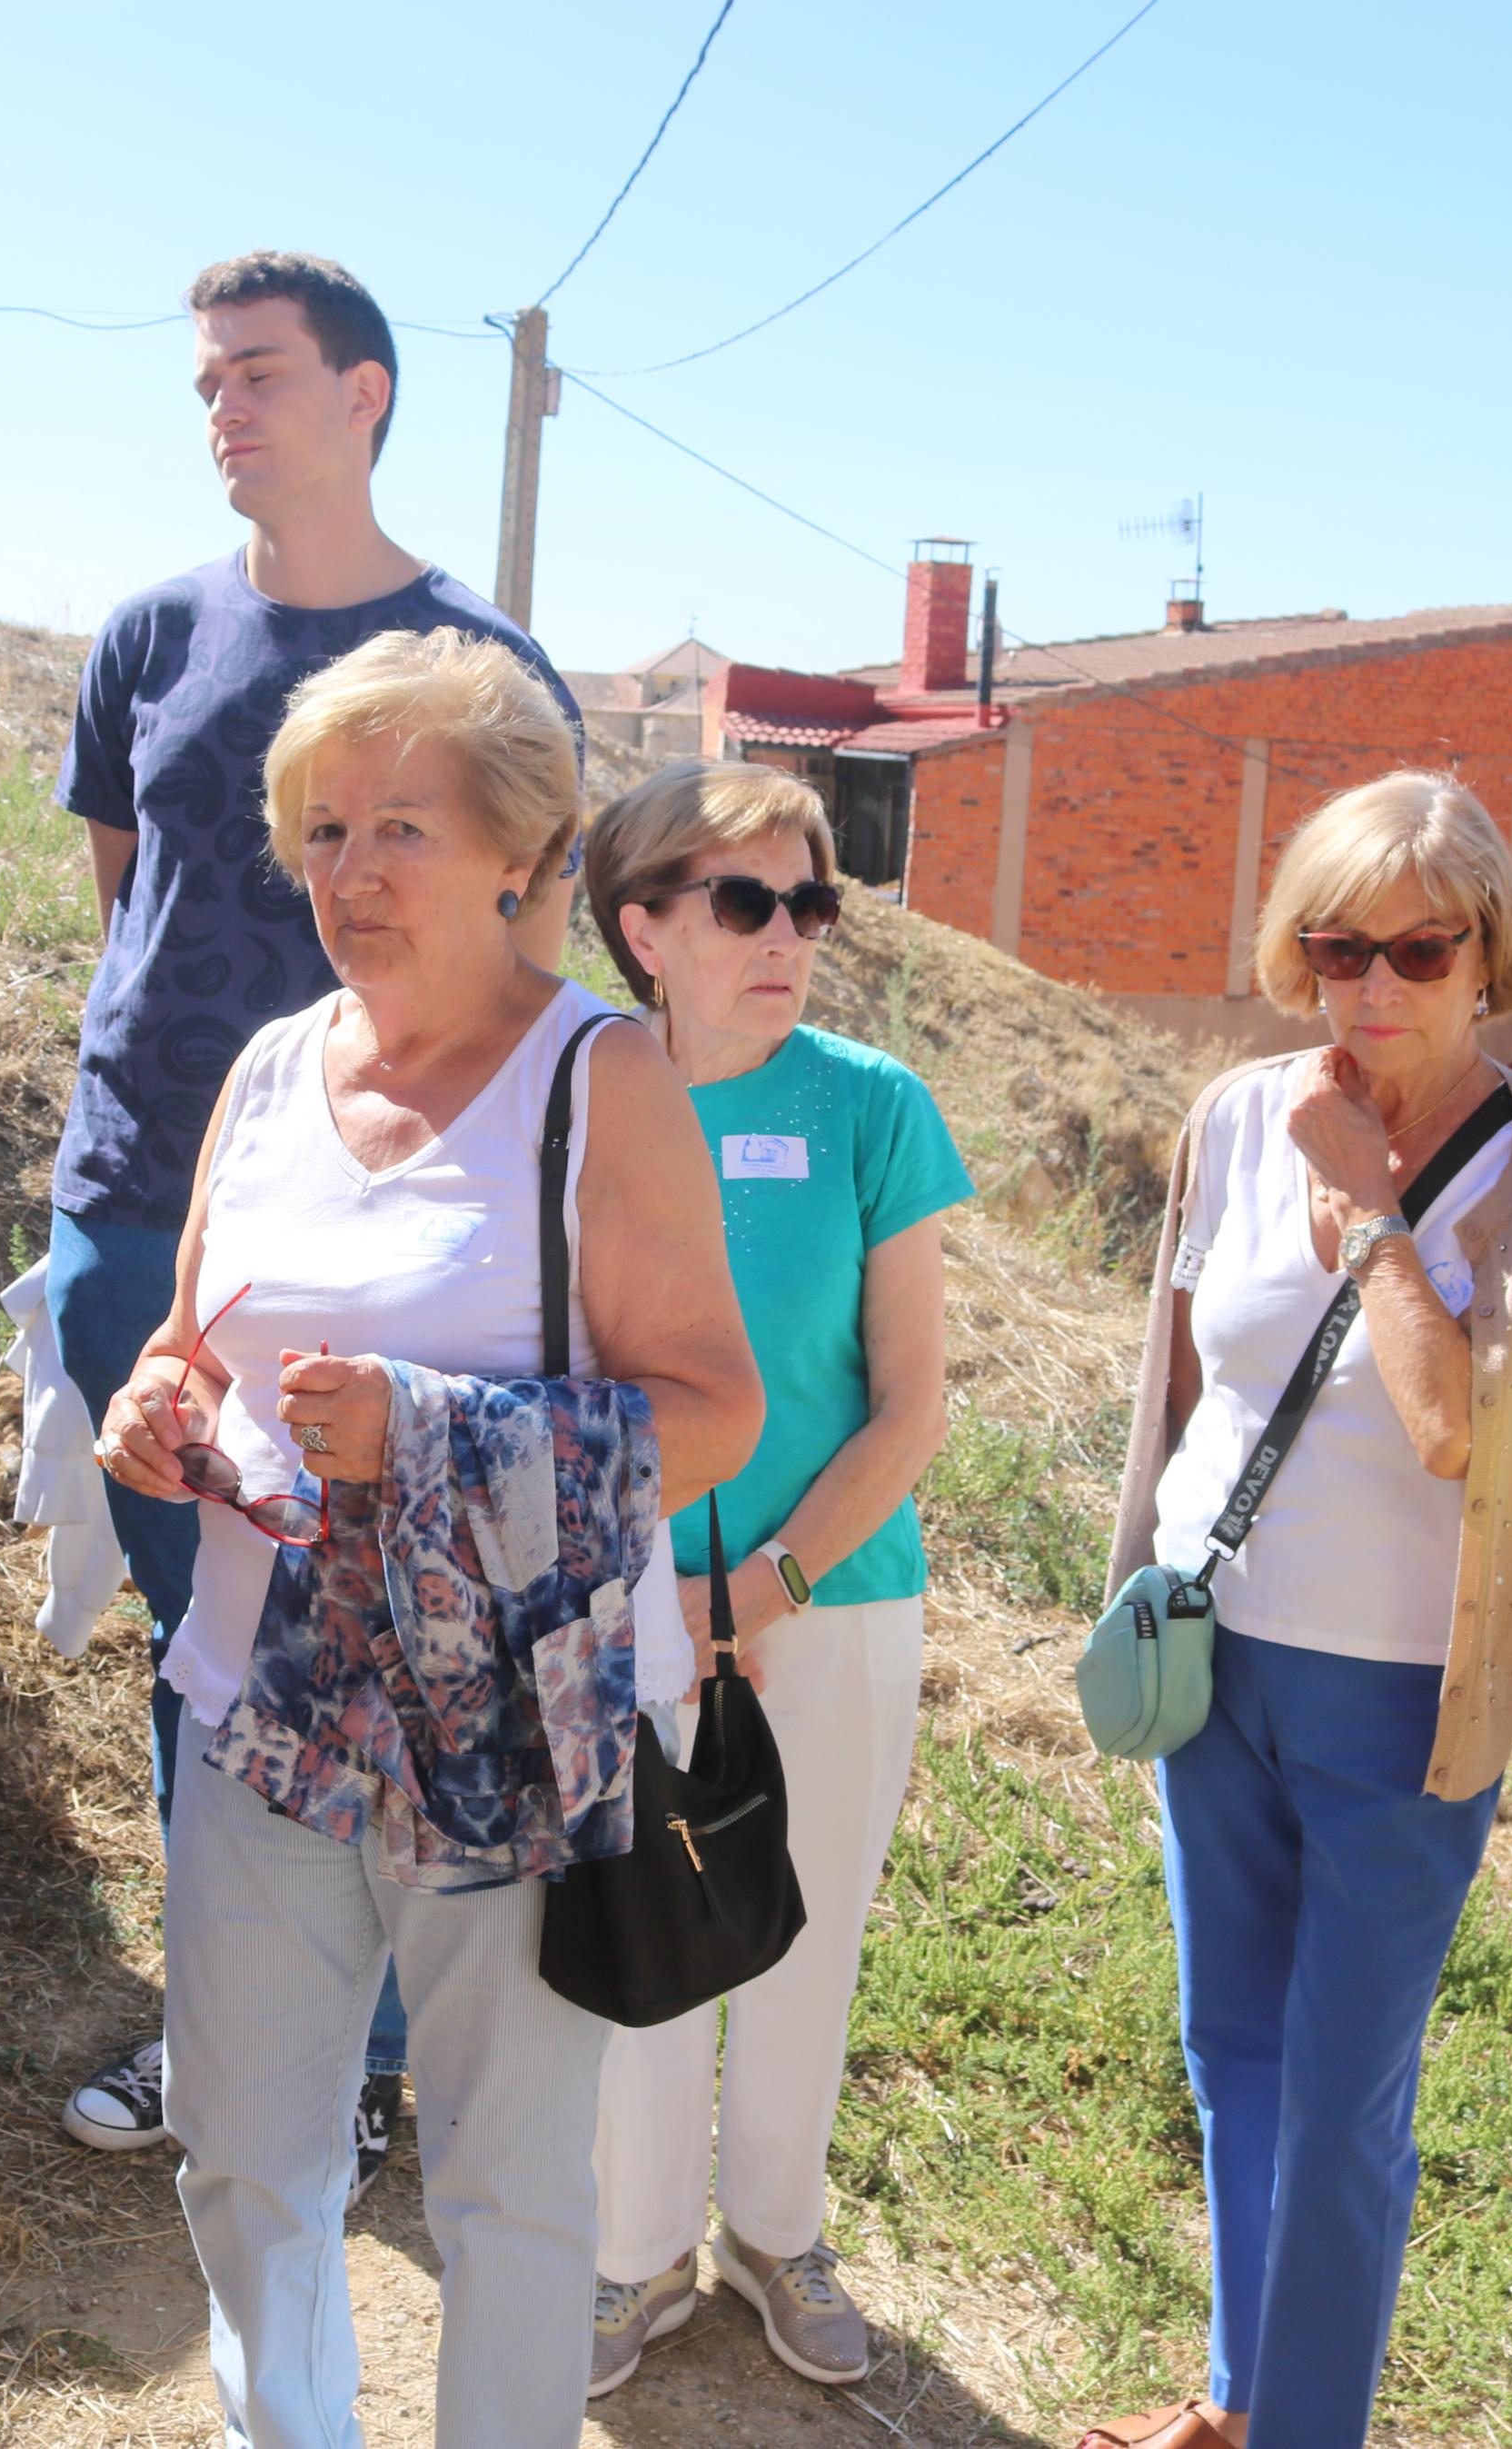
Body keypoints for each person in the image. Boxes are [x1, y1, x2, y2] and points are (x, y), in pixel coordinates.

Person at [96, 628, 761, 2446]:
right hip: (260, 1714)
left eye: (400, 826)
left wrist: (432, 1430)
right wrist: (151, 1412)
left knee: (506, 2194)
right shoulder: (262, 1074)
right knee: (242, 2156)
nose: (353, 871)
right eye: (322, 832)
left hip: (510, 1735)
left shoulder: (595, 1083)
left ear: (519, 857)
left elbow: (713, 1407)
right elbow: (185, 1338)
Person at [49, 251, 585, 2179]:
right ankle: (231, 2031)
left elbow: (523, 975)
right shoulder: (149, 637)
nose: (224, 408)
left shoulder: (484, 667)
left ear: (367, 393)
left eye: (260, 374)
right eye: (206, 379)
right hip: (139, 1212)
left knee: (377, 1638)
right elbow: (131, 904)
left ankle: (360, 2052)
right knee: (204, 1632)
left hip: (394, 1249)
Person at [1080, 773, 1512, 2449]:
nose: (1372, 986)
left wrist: (1373, 1218)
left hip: (1400, 1695)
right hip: (1218, 1655)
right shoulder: (1238, 1115)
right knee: (1229, 2052)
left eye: (1416, 948)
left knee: (1340, 2100)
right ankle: (1249, 2404)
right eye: (1337, 948)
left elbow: (1465, 1437)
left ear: (1488, 959)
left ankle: (1302, 2429)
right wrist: (1138, 1582)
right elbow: (1183, 1396)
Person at [575, 762, 970, 2396]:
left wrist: (767, 1591)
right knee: (636, 1921)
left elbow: (914, 1401)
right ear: (643, 926)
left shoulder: (871, 1103)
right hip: (618, 1603)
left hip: (838, 1593)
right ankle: (629, 2256)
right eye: (745, 901)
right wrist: (643, 1597)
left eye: (809, 902)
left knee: (808, 1932)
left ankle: (777, 2231)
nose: (788, 934)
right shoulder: (576, 1093)